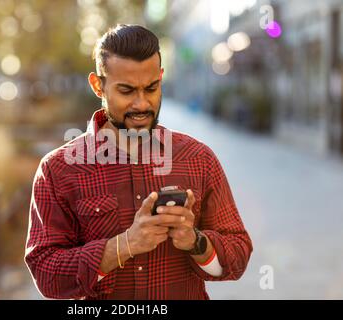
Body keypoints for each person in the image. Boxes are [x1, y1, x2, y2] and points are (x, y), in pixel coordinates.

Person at [25, 24, 252, 300]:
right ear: (98, 85)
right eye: (127, 90)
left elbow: (239, 254)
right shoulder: (58, 169)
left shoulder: (198, 158)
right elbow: (46, 274)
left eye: (151, 88)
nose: (142, 104)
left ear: (161, 78)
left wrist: (196, 242)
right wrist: (124, 245)